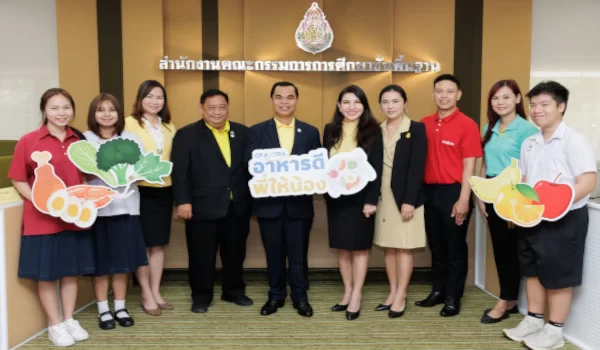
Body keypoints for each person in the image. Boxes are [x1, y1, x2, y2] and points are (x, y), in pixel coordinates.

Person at [503, 81, 597, 350]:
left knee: (558, 273)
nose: (537, 110)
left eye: (544, 105)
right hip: (531, 217)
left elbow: (587, 182)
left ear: (561, 106)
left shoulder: (574, 141)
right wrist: (516, 207)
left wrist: (556, 204)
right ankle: (533, 320)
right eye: (533, 105)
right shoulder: (530, 142)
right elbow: (522, 178)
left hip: (564, 220)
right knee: (532, 270)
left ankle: (554, 332)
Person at [9, 88, 93, 347]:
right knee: (46, 274)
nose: (61, 113)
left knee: (70, 272)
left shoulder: (79, 141)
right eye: (55, 108)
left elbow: (86, 176)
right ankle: (54, 324)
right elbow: (18, 178)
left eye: (66, 107)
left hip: (72, 217)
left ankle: (69, 319)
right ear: (44, 110)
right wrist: (40, 201)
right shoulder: (29, 140)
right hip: (42, 219)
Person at [171, 89, 253, 313]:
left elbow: (252, 168)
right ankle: (201, 296)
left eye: (222, 107)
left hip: (236, 205)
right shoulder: (186, 134)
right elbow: (180, 173)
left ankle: (233, 291)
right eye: (212, 108)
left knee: (235, 253)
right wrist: (183, 201)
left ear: (228, 107)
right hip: (201, 207)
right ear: (201, 109)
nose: (217, 112)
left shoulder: (243, 133)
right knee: (201, 255)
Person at [250, 81, 321, 317]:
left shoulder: (310, 132)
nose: (284, 101)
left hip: (298, 206)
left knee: (299, 255)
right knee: (274, 255)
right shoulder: (257, 131)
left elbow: (317, 169)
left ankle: (301, 298)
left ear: (296, 100)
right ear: (271, 100)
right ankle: (275, 296)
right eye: (279, 97)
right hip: (268, 206)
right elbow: (249, 168)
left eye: (290, 97)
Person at [415, 74, 483, 316]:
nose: (444, 96)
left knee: (454, 247)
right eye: (439, 91)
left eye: (449, 91)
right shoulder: (423, 123)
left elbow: (469, 166)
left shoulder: (468, 125)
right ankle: (437, 291)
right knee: (436, 246)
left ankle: (453, 297)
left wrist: (464, 199)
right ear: (433, 94)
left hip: (455, 192)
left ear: (458, 95)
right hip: (429, 192)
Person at [84, 93, 149, 329]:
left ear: (119, 114)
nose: (107, 114)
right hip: (96, 210)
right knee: (101, 264)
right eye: (101, 109)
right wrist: (102, 169)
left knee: (122, 263)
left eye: (112, 109)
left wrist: (129, 171)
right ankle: (103, 309)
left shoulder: (131, 139)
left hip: (126, 207)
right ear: (93, 114)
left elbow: (142, 171)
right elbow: (80, 173)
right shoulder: (85, 139)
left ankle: (120, 307)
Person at [478, 80, 538, 324]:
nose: (500, 102)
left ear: (516, 99)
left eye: (505, 97)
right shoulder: (489, 127)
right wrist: (482, 195)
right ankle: (511, 299)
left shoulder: (527, 130)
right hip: (492, 195)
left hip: (514, 197)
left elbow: (530, 169)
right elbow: (484, 163)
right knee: (501, 249)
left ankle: (505, 300)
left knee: (512, 252)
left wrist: (516, 203)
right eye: (495, 98)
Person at [323, 85, 383, 321]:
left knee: (359, 248)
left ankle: (357, 294)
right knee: (342, 247)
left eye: (356, 102)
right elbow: (323, 163)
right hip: (336, 198)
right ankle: (347, 291)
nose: (351, 107)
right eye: (346, 102)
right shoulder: (330, 129)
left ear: (364, 106)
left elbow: (376, 168)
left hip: (361, 200)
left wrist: (371, 200)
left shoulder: (374, 131)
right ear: (339, 106)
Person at [372, 84, 427, 318]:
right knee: (389, 246)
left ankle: (402, 295)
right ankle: (392, 292)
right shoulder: (377, 129)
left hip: (406, 197)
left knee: (404, 248)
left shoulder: (416, 129)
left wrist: (409, 201)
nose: (390, 106)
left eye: (395, 101)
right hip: (383, 196)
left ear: (405, 103)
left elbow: (417, 168)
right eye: (385, 102)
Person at [124, 80, 177, 316]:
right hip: (139, 190)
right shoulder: (128, 124)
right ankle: (145, 292)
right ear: (140, 99)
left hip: (164, 190)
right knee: (143, 245)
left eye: (159, 97)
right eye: (149, 96)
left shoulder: (169, 127)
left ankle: (156, 291)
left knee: (158, 244)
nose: (155, 101)